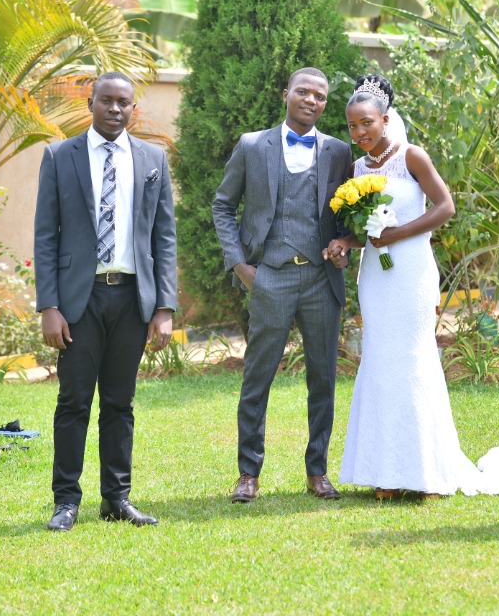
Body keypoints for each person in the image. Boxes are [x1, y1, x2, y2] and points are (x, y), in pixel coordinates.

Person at [331, 74, 499, 498]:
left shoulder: (411, 156)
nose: (359, 133)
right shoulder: (356, 170)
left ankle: (427, 473)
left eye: (367, 123)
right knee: (379, 361)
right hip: (376, 276)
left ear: (386, 119)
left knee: (413, 360)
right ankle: (386, 473)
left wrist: (399, 233)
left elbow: (445, 206)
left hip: (410, 272)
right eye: (352, 126)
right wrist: (346, 242)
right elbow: (365, 231)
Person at [34, 72, 177, 532]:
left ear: (133, 108)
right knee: (73, 401)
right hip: (79, 300)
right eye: (107, 101)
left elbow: (164, 236)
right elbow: (45, 235)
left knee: (120, 402)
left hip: (133, 297)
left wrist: (164, 306)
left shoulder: (152, 159)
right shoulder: (60, 156)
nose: (115, 109)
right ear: (91, 104)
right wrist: (49, 305)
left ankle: (117, 498)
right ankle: (66, 501)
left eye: (124, 103)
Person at [212, 67, 353, 503]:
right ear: (286, 93)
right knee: (257, 377)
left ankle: (318, 471)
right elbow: (223, 205)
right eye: (303, 92)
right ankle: (248, 473)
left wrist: (345, 245)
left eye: (320, 96)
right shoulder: (253, 145)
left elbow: (349, 217)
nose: (312, 100)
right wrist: (240, 265)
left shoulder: (339, 151)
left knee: (323, 378)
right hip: (269, 276)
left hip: (320, 279)